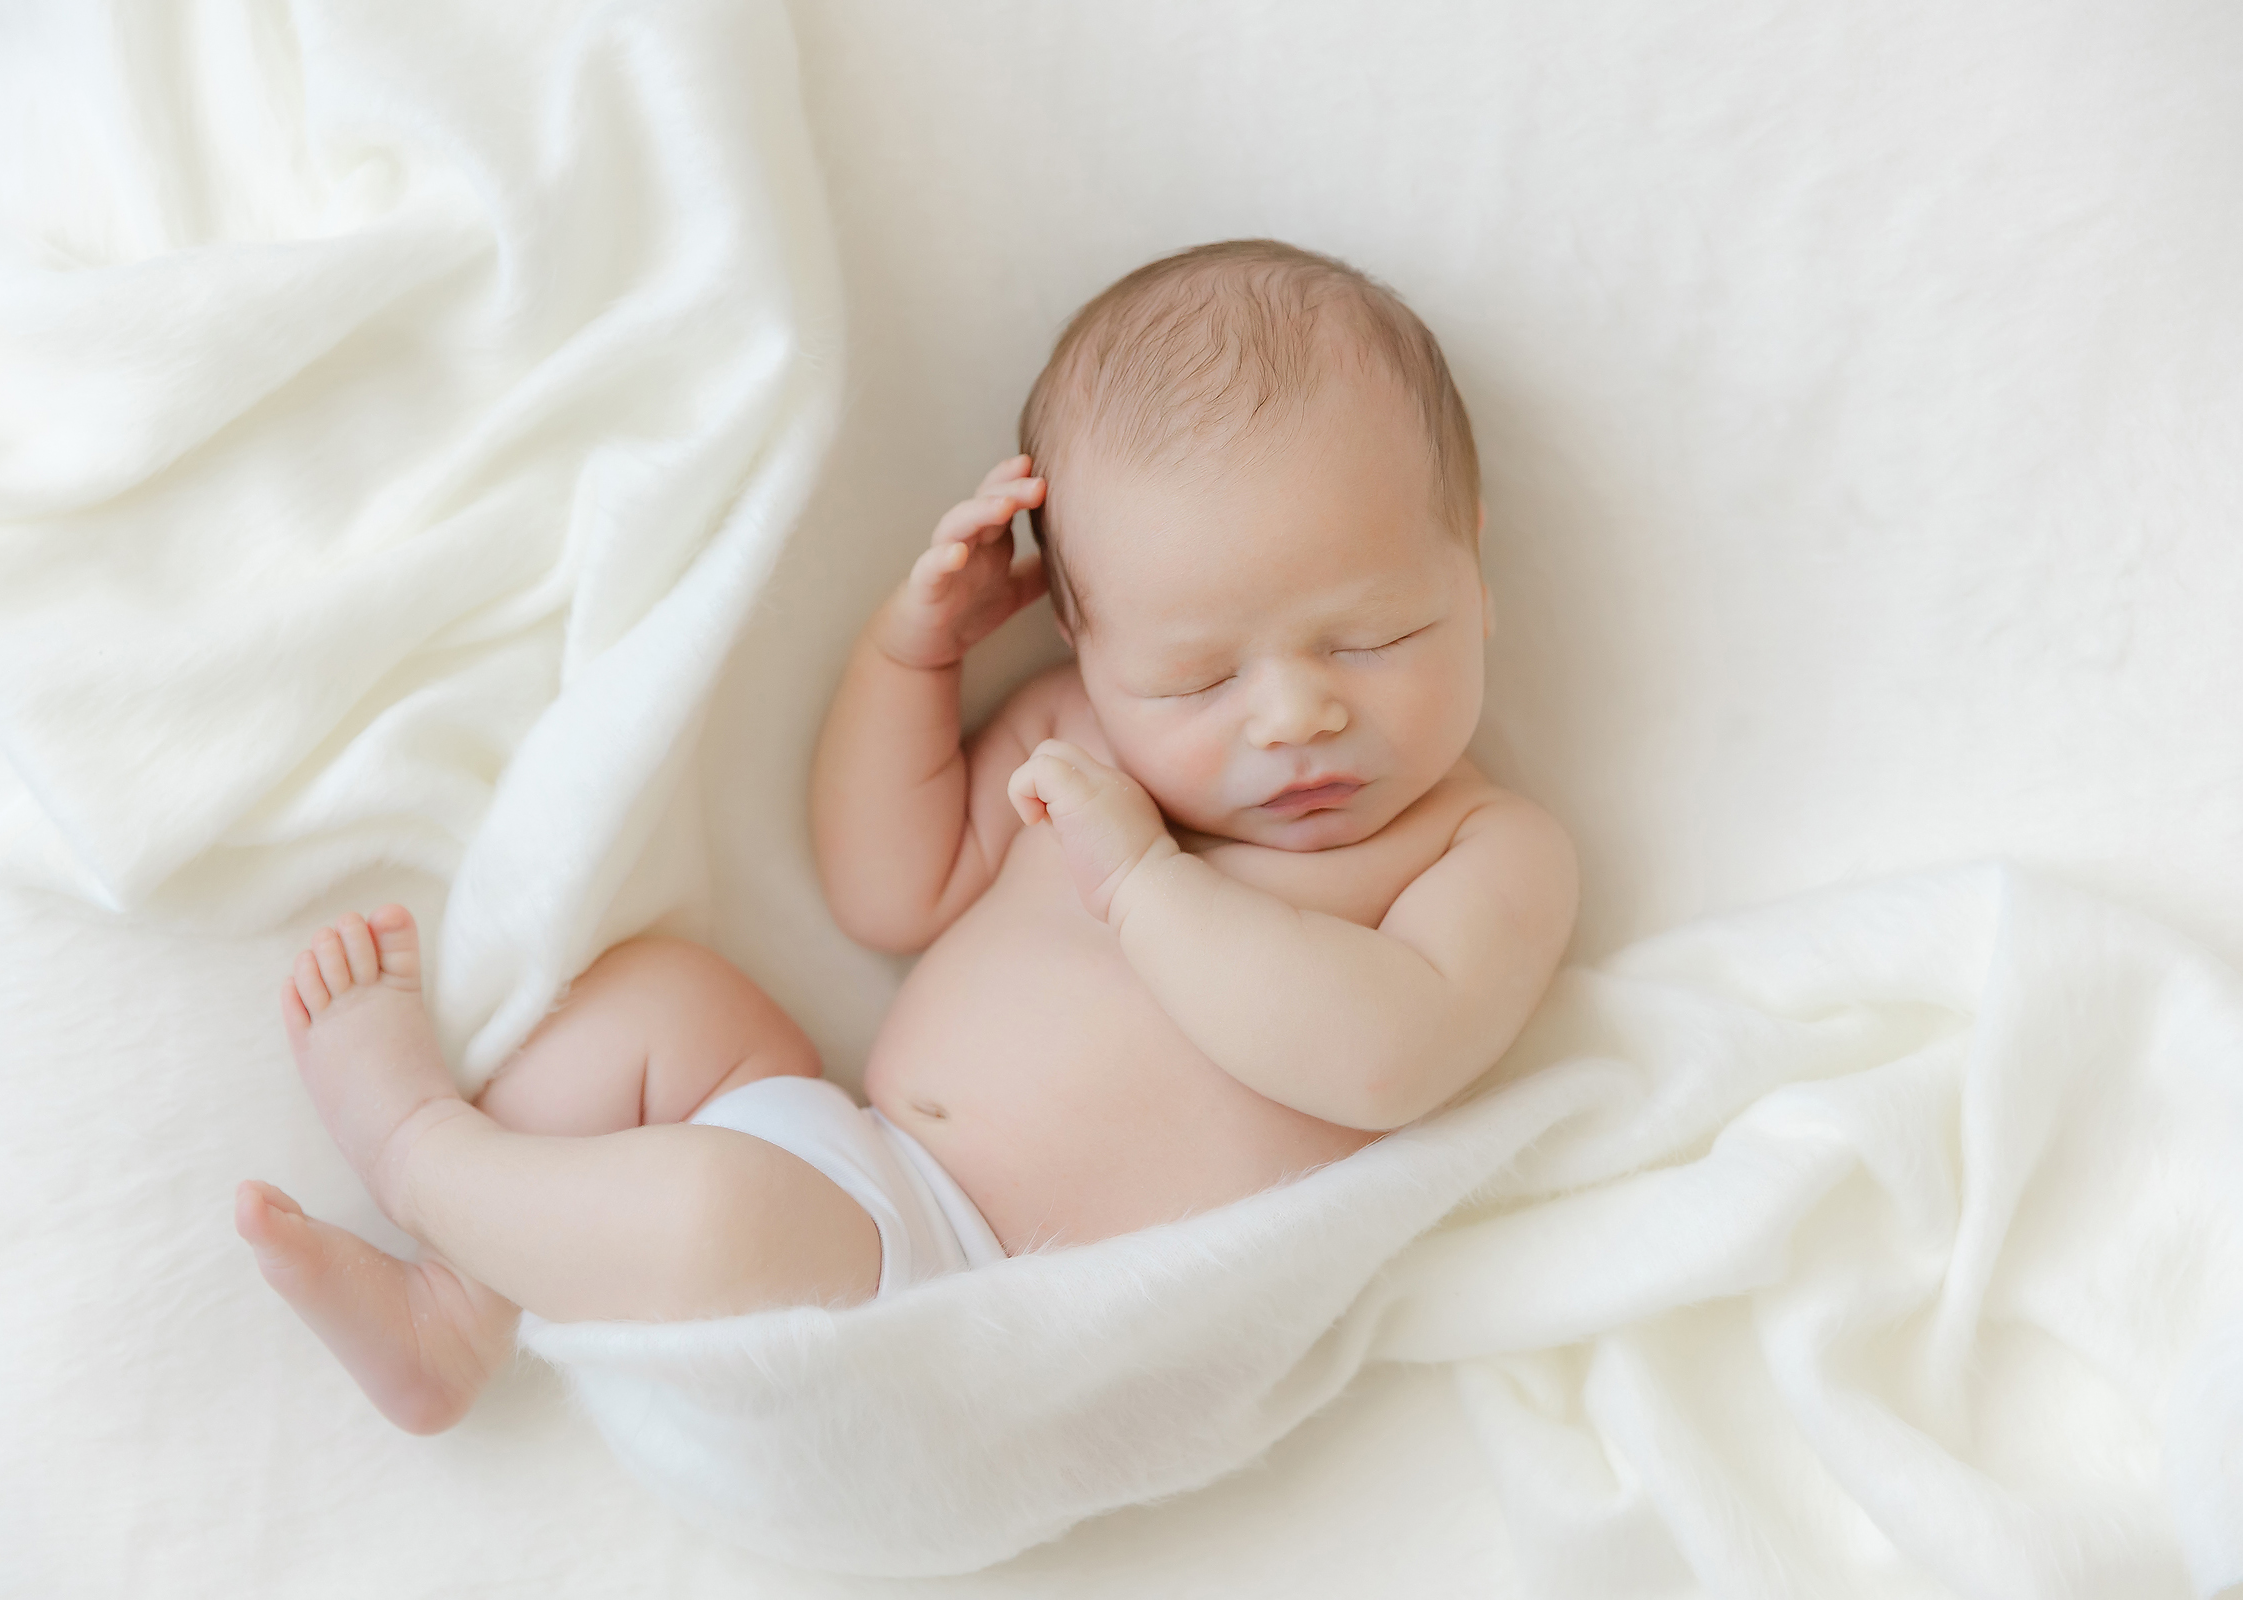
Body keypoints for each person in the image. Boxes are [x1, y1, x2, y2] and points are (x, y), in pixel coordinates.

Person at [234, 239, 1579, 1434]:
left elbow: (1380, 1061)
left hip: (983, 1310)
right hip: (863, 1163)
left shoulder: (1478, 850)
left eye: (1372, 637)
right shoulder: (1076, 740)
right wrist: (910, 657)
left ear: (1470, 558)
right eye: (1196, 679)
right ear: (1081, 641)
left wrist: (1148, 883)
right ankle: (462, 1306)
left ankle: (418, 1152)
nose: (1295, 713)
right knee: (650, 1006)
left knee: (719, 1220)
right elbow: (889, 890)